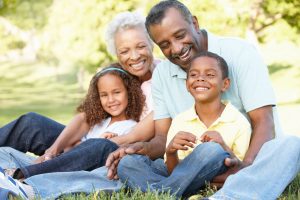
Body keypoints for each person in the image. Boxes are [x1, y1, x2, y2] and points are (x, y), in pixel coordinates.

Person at [106, 1, 300, 199]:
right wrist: (142, 149)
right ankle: (176, 190)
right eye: (164, 45)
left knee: (291, 146)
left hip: (244, 161)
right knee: (129, 164)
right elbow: (163, 139)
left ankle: (227, 192)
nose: (177, 48)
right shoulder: (163, 74)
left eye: (180, 36)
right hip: (186, 168)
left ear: (195, 24)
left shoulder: (240, 53)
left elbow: (264, 122)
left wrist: (244, 168)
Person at [118, 51, 252, 197]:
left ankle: (163, 192)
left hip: (215, 174)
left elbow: (241, 170)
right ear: (187, 85)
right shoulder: (180, 120)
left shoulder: (238, 122)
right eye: (193, 75)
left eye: (210, 75)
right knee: (128, 163)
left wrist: (223, 146)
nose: (200, 79)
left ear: (225, 84)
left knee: (212, 150)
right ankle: (169, 191)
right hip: (180, 176)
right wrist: (170, 152)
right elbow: (173, 171)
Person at [0, 65, 145, 180]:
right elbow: (71, 146)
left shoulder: (131, 127)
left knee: (102, 145)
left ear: (129, 92)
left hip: (84, 164)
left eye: (117, 92)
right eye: (104, 95)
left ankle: (21, 175)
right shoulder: (99, 121)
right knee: (32, 121)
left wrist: (91, 143)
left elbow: (91, 153)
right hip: (66, 156)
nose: (111, 100)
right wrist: (64, 147)